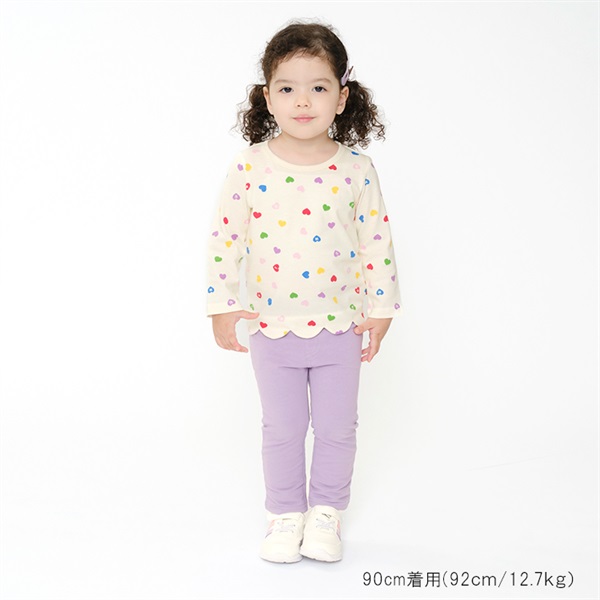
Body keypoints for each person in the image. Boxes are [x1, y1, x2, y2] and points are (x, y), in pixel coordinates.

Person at [206, 21, 402, 563]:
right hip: (271, 326)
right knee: (283, 426)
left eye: (318, 87)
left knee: (338, 427)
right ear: (267, 97)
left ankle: (327, 512)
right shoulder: (249, 167)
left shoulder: (357, 170)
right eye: (287, 88)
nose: (302, 101)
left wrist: (382, 309)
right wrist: (222, 305)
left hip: (342, 325)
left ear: (342, 97)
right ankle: (285, 512)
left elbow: (376, 240)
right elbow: (225, 239)